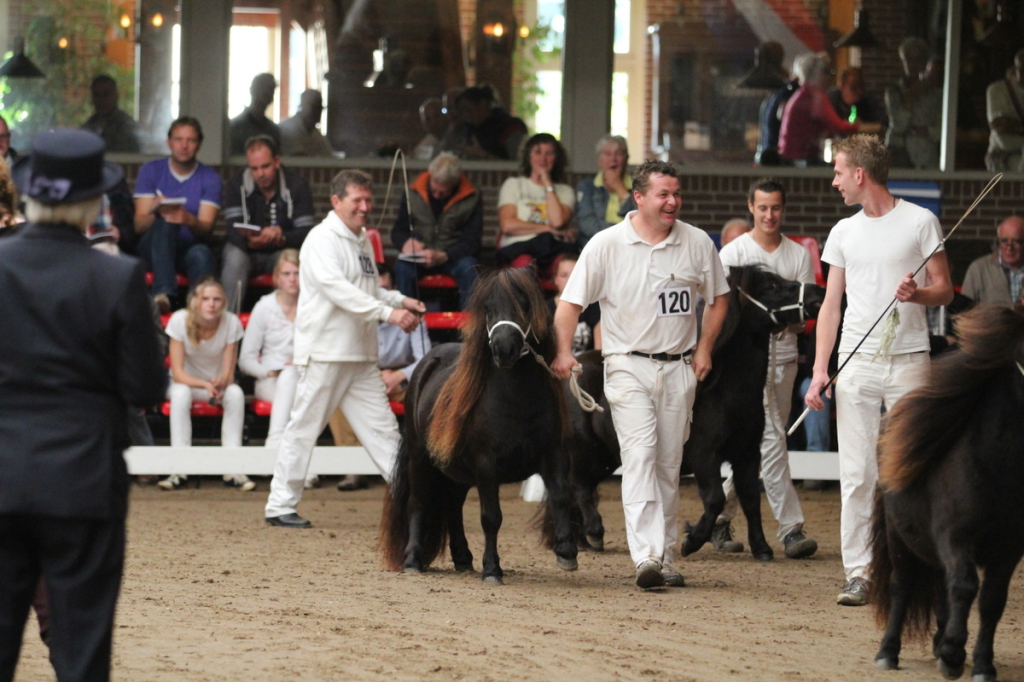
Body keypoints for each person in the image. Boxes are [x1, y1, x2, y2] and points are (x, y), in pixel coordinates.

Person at [0, 129, 165, 681]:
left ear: (29, 194)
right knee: (80, 655)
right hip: (83, 485)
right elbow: (146, 388)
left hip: (2, 475)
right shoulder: (116, 276)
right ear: (94, 202)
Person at [552, 160, 731, 590]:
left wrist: (704, 348)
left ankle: (665, 556)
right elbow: (569, 304)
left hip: (679, 367)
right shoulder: (605, 244)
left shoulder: (696, 244)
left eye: (676, 193)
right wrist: (562, 351)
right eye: (663, 194)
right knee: (640, 455)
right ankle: (646, 556)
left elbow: (719, 299)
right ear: (639, 197)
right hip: (626, 364)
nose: (672, 202)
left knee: (670, 463)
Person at [804, 135, 952, 606]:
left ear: (860, 174)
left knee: (913, 468)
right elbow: (831, 307)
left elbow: (945, 289)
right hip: (856, 363)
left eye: (839, 172)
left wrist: (919, 295)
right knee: (857, 472)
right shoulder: (843, 232)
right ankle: (860, 572)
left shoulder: (921, 222)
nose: (835, 181)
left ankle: (915, 564)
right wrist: (820, 368)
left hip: (910, 361)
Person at [263, 170, 426, 528]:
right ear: (336, 201)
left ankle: (412, 499)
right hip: (325, 350)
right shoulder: (321, 239)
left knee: (383, 431)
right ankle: (279, 505)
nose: (365, 207)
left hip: (360, 354)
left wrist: (401, 299)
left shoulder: (363, 240)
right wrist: (389, 313)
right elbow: (338, 290)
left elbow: (367, 290)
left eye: (368, 200)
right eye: (358, 200)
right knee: (304, 428)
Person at [713, 178, 819, 559]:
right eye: (762, 208)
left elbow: (805, 313)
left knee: (758, 444)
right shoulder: (732, 253)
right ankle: (791, 528)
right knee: (773, 439)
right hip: (744, 363)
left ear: (783, 209)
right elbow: (723, 311)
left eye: (775, 208)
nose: (769, 215)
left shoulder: (798, 256)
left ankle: (718, 520)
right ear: (750, 207)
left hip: (785, 357)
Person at [333, 261, 432, 491]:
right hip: (364, 374)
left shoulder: (411, 314)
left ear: (393, 291)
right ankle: (353, 470)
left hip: (405, 379)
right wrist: (376, 375)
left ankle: (422, 467)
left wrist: (398, 375)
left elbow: (425, 358)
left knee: (427, 400)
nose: (379, 295)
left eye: (384, 290)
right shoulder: (353, 313)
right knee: (338, 402)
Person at [160, 277, 251, 492]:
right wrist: (204, 384)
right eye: (206, 299)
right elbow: (178, 373)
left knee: (236, 393)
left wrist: (221, 381)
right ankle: (178, 468)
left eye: (217, 299)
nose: (211, 304)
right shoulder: (179, 320)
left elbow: (229, 373)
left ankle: (233, 468)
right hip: (186, 383)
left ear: (224, 302)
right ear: (195, 301)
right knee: (180, 394)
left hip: (215, 386)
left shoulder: (231, 322)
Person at [133, 116, 220, 313]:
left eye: (191, 140)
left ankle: (202, 312)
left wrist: (188, 219)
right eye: (178, 139)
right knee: (166, 220)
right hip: (153, 248)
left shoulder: (210, 177)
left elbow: (206, 229)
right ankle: (164, 296)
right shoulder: (151, 171)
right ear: (169, 142)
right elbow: (138, 226)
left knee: (202, 253)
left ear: (199, 145)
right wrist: (156, 212)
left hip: (186, 249)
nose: (184, 146)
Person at [221, 135, 316, 311]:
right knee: (234, 257)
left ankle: (290, 323)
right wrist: (250, 242)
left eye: (265, 166)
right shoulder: (236, 185)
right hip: (246, 252)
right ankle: (228, 326)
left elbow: (307, 232)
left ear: (277, 161)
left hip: (281, 250)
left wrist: (282, 237)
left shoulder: (297, 185)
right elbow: (232, 229)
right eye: (254, 168)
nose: (260, 174)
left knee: (292, 259)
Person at [390, 152, 481, 309]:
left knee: (470, 267)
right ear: (430, 175)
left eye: (443, 192)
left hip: (452, 256)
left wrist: (445, 256)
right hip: (419, 256)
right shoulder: (413, 191)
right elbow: (398, 230)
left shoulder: (471, 196)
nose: (437, 195)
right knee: (401, 268)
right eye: (434, 190)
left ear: (455, 183)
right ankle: (406, 324)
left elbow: (472, 240)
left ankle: (471, 326)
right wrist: (406, 243)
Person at [239, 249, 301, 448]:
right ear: (276, 278)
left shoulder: (312, 306)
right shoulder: (264, 307)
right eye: (286, 274)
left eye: (297, 273)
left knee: (294, 377)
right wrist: (268, 372)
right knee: (291, 383)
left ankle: (277, 447)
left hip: (304, 378)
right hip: (269, 380)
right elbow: (246, 360)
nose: (292, 279)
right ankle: (277, 443)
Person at [779, 53, 880, 166]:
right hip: (801, 159)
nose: (831, 77)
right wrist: (867, 127)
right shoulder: (815, 95)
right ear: (819, 74)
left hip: (792, 157)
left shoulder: (804, 93)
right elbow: (838, 126)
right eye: (828, 72)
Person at [496, 133, 576, 271]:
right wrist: (548, 228)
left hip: (553, 249)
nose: (543, 158)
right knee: (526, 266)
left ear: (556, 158)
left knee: (568, 267)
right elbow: (507, 225)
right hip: (519, 248)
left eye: (549, 153)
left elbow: (557, 222)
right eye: (537, 152)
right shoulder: (514, 184)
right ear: (529, 156)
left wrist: (547, 183)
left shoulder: (565, 191)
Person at [885, 38, 943, 169]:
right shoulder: (894, 92)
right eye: (909, 59)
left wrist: (926, 131)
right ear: (903, 61)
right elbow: (898, 125)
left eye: (918, 59)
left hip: (927, 159)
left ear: (925, 61)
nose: (914, 64)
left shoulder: (936, 95)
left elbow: (943, 130)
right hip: (900, 156)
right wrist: (910, 97)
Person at [575, 134, 637, 247]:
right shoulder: (587, 187)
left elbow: (640, 222)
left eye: (618, 154)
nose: (613, 159)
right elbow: (587, 224)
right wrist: (620, 235)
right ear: (599, 160)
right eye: (607, 154)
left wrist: (620, 189)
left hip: (630, 245)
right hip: (595, 245)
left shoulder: (639, 187)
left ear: (626, 158)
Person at [440, 85, 527, 160]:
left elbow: (517, 165)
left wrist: (483, 155)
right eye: (462, 112)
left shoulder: (509, 127)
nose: (465, 115)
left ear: (483, 104)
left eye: (468, 110)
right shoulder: (466, 131)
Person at [961, 216, 1024, 306]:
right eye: (1004, 241)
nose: (1009, 248)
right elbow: (964, 309)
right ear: (998, 241)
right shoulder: (978, 269)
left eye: (1016, 241)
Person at [550, 253, 600, 354]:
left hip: (587, 366)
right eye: (564, 275)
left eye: (575, 275)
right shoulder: (544, 309)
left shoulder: (594, 307)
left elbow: (599, 352)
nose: (570, 280)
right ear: (556, 280)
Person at [985, 49, 1024, 173]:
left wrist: (1015, 126)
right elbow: (1001, 134)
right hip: (1002, 156)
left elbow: (1006, 126)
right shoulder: (997, 90)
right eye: (1022, 70)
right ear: (1015, 68)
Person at [82, 74, 141, 153]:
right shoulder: (88, 127)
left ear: (116, 95)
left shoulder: (127, 127)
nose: (101, 99)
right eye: (97, 95)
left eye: (106, 94)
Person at [229, 73, 281, 156]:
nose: (266, 92)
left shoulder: (274, 130)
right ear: (252, 90)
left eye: (270, 89)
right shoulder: (235, 127)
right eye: (262, 87)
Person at [278, 89, 334, 157]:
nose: (317, 112)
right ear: (303, 107)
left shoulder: (317, 136)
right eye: (313, 107)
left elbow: (329, 157)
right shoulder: (285, 129)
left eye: (319, 108)